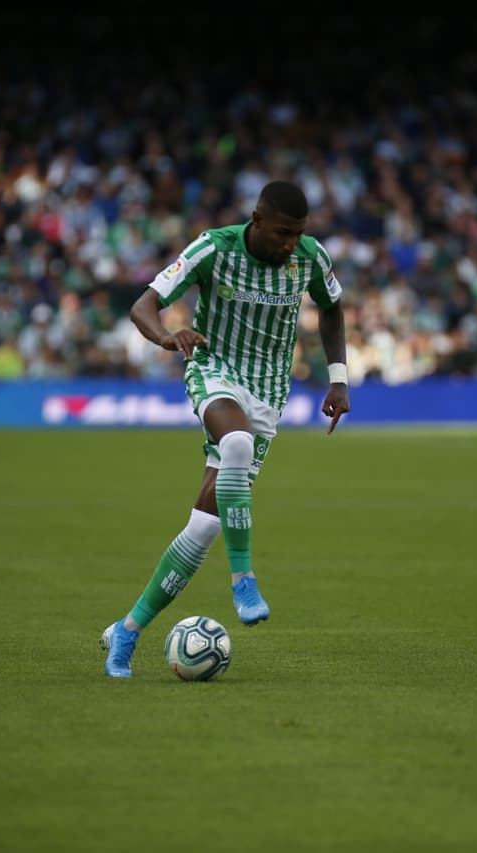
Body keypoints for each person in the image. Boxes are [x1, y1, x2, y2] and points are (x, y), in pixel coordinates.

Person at [102, 180, 351, 678]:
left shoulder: (309, 257)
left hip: (268, 392)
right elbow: (143, 306)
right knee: (234, 442)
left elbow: (332, 308)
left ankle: (126, 632)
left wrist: (339, 379)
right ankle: (243, 579)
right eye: (282, 233)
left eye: (298, 234)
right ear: (257, 220)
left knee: (204, 527)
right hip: (212, 368)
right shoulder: (214, 248)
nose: (289, 244)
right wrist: (169, 337)